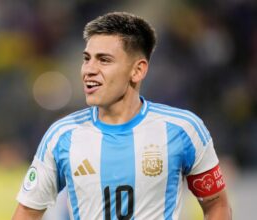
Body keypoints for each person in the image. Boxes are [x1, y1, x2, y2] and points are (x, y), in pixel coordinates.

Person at [12, 12, 232, 220]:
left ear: (137, 71)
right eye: (87, 58)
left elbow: (216, 204)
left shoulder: (183, 129)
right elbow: (27, 212)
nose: (89, 69)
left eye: (104, 60)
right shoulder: (62, 135)